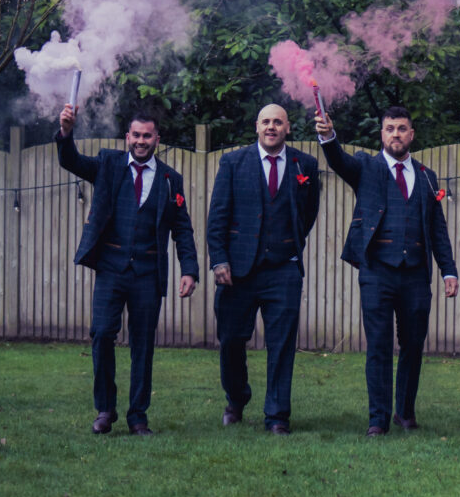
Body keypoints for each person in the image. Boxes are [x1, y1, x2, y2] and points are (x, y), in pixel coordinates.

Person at [315, 106, 458, 437]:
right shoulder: (366, 167)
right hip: (377, 272)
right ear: (382, 134)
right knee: (378, 345)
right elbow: (338, 160)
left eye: (402, 128)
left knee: (413, 345)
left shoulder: (427, 176)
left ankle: (405, 413)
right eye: (390, 128)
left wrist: (448, 270)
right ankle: (378, 419)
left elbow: (437, 228)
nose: (396, 134)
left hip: (416, 275)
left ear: (412, 134)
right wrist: (328, 137)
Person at [56, 105, 198, 435]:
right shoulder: (109, 164)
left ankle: (138, 417)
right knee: (102, 334)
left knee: (143, 345)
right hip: (111, 269)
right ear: (127, 137)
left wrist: (189, 269)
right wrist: (65, 132)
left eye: (147, 136)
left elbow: (182, 229)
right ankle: (105, 410)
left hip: (148, 272)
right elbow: (71, 161)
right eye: (136, 135)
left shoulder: (170, 180)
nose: (141, 141)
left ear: (157, 139)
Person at [207, 104, 321, 434]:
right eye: (266, 121)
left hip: (283, 269)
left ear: (288, 128)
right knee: (231, 340)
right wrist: (220, 260)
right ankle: (236, 398)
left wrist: (289, 242)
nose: (271, 127)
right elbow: (218, 216)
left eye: (278, 122)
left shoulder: (305, 165)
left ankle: (277, 415)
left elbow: (308, 213)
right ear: (256, 127)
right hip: (238, 271)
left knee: (282, 345)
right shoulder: (233, 163)